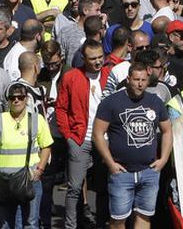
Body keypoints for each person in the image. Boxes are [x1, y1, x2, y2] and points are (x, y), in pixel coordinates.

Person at [93, 62, 172, 229]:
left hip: (149, 171)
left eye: (144, 80)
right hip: (122, 172)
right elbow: (97, 134)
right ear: (128, 79)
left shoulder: (155, 102)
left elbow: (167, 130)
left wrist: (163, 159)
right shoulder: (111, 102)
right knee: (118, 219)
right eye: (136, 79)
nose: (140, 84)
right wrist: (110, 163)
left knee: (144, 216)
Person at [55, 41, 112, 229]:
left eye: (100, 57)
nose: (97, 62)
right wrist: (68, 137)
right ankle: (71, 226)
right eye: (92, 58)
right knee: (74, 188)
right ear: (83, 58)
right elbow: (61, 108)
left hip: (105, 138)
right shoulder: (71, 76)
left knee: (104, 185)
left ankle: (103, 223)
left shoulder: (110, 75)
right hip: (80, 138)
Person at [0, 82, 53, 229]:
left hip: (30, 178)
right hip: (5, 179)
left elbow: (46, 146)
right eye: (12, 97)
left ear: (26, 99)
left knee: (31, 222)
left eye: (20, 97)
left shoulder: (37, 120)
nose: (16, 100)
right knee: (6, 223)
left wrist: (40, 169)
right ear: (8, 100)